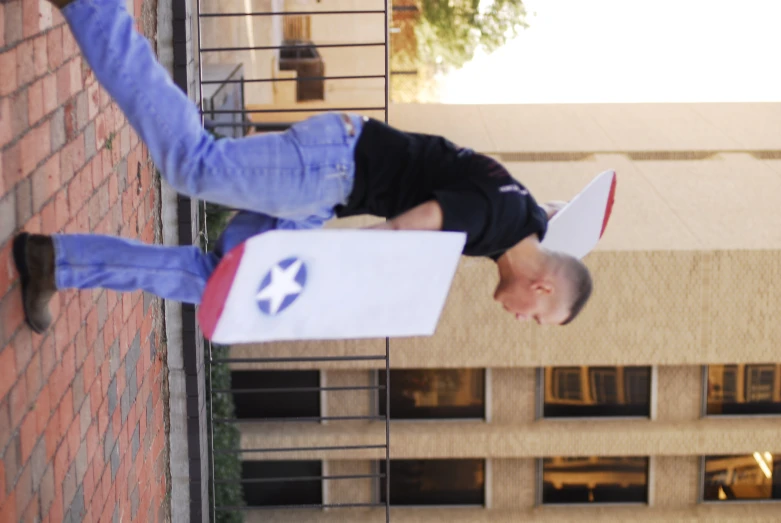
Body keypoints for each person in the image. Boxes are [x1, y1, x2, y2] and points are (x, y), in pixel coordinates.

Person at [13, 0, 593, 335]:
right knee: (193, 165)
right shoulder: (495, 218)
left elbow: (547, 213)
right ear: (540, 285)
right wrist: (342, 275)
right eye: (540, 316)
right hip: (333, 165)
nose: (526, 321)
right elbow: (408, 228)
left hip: (330, 188)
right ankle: (93, 7)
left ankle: (57, 262)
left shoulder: (522, 218)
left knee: (227, 280)